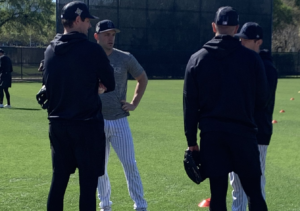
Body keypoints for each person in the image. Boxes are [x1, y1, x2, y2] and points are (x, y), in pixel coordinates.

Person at [183, 6, 269, 211]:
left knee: (218, 195)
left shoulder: (197, 58)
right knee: (254, 193)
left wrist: (192, 142)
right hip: (244, 134)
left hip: (213, 136)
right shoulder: (252, 58)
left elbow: (190, 104)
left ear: (214, 27)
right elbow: (263, 99)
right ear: (236, 28)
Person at [43, 1, 115, 211]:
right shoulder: (92, 50)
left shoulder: (49, 51)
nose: (89, 26)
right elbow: (109, 83)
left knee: (59, 181)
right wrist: (96, 86)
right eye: (86, 21)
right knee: (87, 185)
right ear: (77, 20)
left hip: (58, 125)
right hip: (86, 126)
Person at [94, 19, 148, 211]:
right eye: (107, 34)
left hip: (119, 120)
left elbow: (142, 78)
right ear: (97, 36)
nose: (111, 38)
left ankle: (140, 205)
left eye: (113, 34)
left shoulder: (125, 58)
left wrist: (133, 103)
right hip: (96, 121)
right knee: (99, 168)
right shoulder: (89, 57)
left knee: (130, 165)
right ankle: (105, 205)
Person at [230, 22, 278, 211]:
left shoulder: (267, 68)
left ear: (258, 42)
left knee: (255, 183)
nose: (241, 42)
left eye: (246, 40)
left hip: (257, 132)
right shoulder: (246, 62)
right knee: (236, 181)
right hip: (239, 130)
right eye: (240, 38)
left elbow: (260, 101)